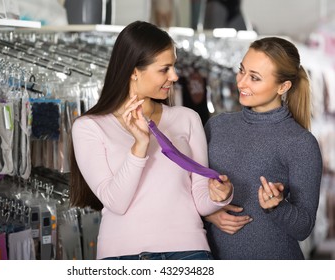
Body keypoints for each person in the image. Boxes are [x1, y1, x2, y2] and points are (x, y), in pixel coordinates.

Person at [70, 21, 233, 260]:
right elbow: (116, 202)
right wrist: (139, 147)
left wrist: (219, 196)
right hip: (124, 256)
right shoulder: (89, 127)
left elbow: (199, 198)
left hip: (188, 253)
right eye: (164, 69)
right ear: (134, 70)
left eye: (174, 67)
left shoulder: (187, 118)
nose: (175, 76)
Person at [204, 37, 323, 259]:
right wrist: (209, 214)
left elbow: (304, 228)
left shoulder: (300, 142)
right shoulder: (217, 126)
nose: (240, 83)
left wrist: (277, 206)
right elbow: (189, 190)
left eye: (254, 78)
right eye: (241, 71)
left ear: (283, 86)